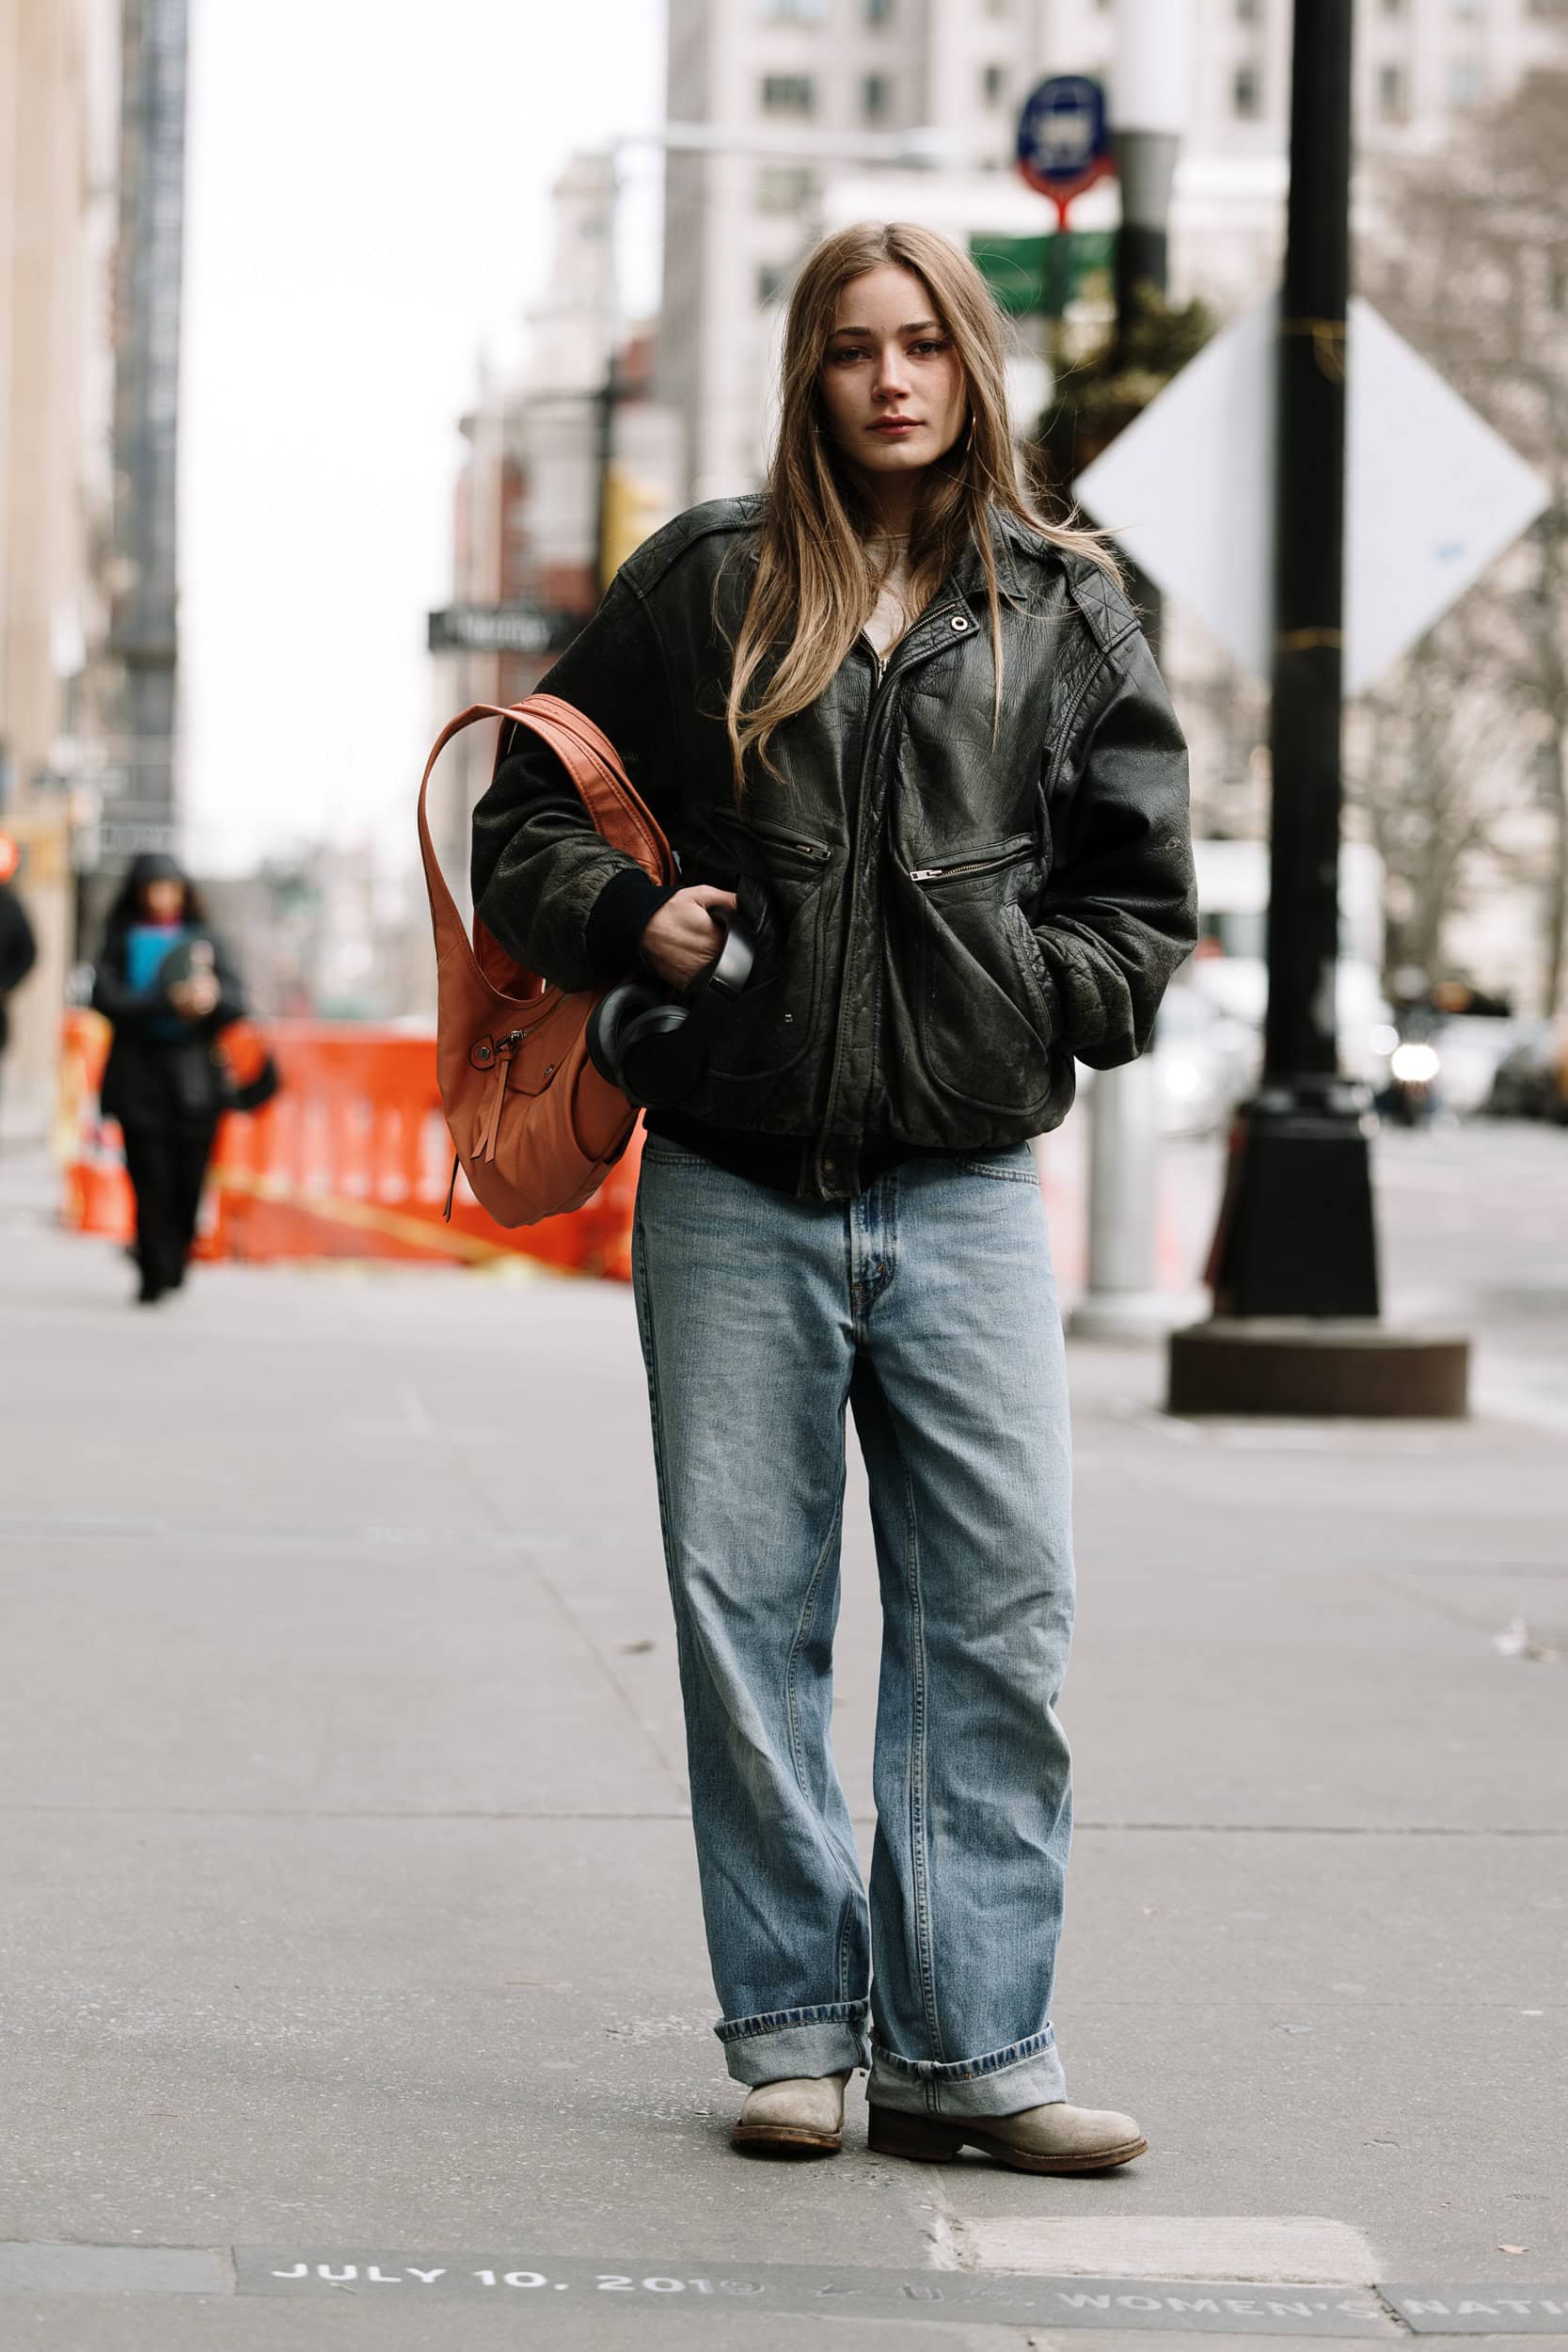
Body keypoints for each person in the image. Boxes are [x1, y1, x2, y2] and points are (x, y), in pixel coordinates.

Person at [471, 224, 1196, 2172]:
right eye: (852, 349)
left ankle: (971, 2049)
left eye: (921, 347)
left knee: (996, 1614)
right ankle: (792, 2026)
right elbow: (519, 806)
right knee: (749, 1614)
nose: (889, 380)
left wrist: (1035, 990)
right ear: (805, 371)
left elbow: (1136, 897)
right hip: (729, 1177)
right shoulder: (711, 579)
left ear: (968, 364)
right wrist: (634, 912)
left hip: (963, 1187)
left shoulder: (1064, 605)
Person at [90, 851, 244, 1305]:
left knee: (187, 1177)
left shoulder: (206, 941)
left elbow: (237, 1000)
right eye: (153, 889)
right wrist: (165, 1000)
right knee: (148, 1175)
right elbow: (105, 997)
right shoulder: (120, 939)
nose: (162, 899)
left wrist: (210, 1000)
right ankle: (154, 1266)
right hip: (138, 1073)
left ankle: (174, 1252)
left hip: (194, 1076)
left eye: (170, 889)